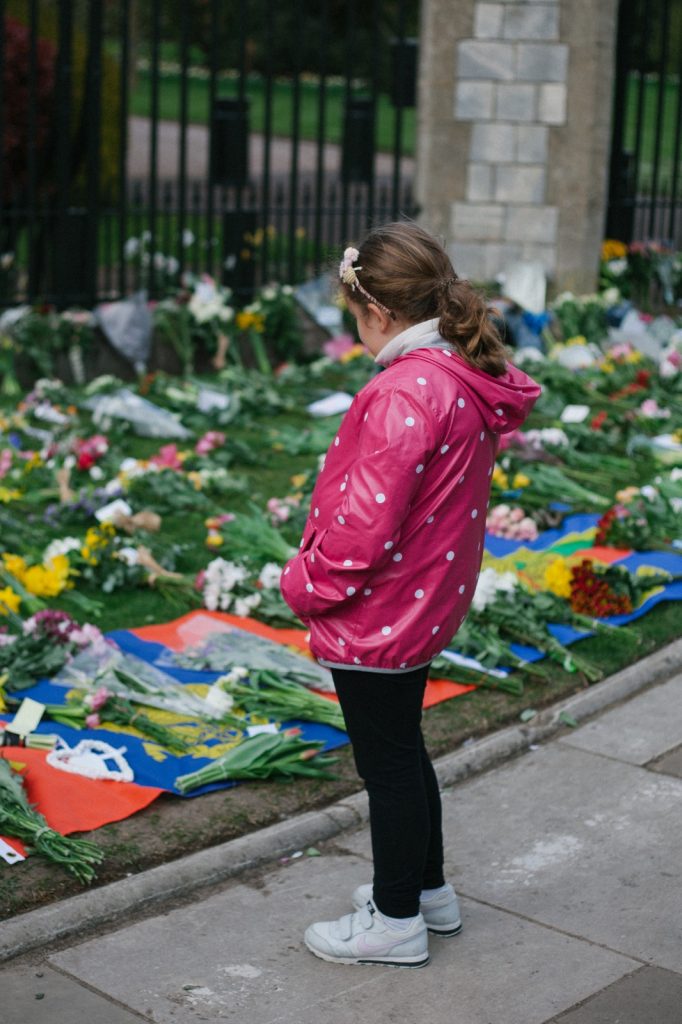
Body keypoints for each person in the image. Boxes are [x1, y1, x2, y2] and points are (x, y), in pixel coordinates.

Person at [280, 221, 541, 968]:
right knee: (404, 752)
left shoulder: (406, 391)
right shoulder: (453, 374)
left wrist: (304, 583)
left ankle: (396, 921)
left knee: (387, 764)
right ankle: (427, 892)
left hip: (380, 611)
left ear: (378, 312)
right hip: (423, 597)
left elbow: (363, 529)